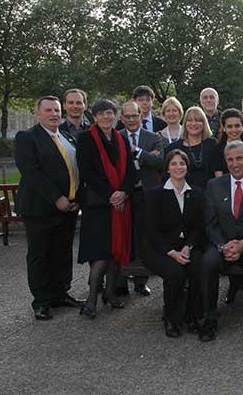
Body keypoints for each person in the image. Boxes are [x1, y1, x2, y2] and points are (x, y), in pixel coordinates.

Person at [14, 96, 84, 320]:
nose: (54, 114)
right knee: (40, 255)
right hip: (40, 209)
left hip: (68, 208)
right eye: (48, 110)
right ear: (38, 114)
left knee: (62, 252)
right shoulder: (27, 138)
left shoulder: (65, 136)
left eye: (56, 110)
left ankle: (60, 293)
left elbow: (75, 168)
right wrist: (57, 198)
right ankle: (42, 301)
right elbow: (32, 172)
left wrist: (76, 198)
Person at [201, 141, 243, 340]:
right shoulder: (214, 185)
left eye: (239, 158)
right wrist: (223, 246)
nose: (235, 163)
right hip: (223, 243)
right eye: (230, 159)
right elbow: (210, 224)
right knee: (208, 262)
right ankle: (210, 319)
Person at [76, 99, 136, 319]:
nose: (106, 117)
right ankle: (91, 299)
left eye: (110, 113)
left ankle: (110, 293)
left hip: (120, 204)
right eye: (101, 114)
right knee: (100, 254)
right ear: (94, 117)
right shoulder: (85, 139)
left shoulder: (121, 138)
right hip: (98, 205)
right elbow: (87, 172)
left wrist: (124, 192)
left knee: (115, 252)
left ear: (115, 115)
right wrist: (111, 194)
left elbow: (130, 171)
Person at [143, 150, 204, 338]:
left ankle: (192, 316)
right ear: (167, 169)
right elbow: (151, 231)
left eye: (182, 163)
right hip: (159, 250)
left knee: (199, 267)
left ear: (188, 167)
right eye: (174, 164)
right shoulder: (155, 194)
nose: (179, 167)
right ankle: (171, 318)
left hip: (186, 247)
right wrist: (172, 253)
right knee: (175, 271)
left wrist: (188, 247)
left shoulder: (196, 193)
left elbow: (199, 227)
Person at [117, 100, 165, 297]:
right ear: (121, 118)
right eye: (127, 116)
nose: (131, 120)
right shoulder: (116, 137)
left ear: (141, 116)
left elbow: (159, 161)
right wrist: (148, 158)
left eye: (134, 115)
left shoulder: (153, 137)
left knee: (145, 236)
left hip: (147, 193)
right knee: (124, 236)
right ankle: (119, 284)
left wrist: (138, 152)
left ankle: (140, 282)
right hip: (124, 194)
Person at [164, 107, 218, 189]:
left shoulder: (212, 144)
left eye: (198, 120)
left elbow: (218, 172)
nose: (193, 124)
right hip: (183, 193)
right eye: (189, 120)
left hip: (210, 193)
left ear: (204, 123)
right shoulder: (173, 148)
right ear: (185, 123)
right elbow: (166, 176)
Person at [210, 108, 243, 177]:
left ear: (242, 127)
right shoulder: (217, 150)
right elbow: (219, 179)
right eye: (229, 126)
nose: (234, 130)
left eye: (237, 126)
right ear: (224, 128)